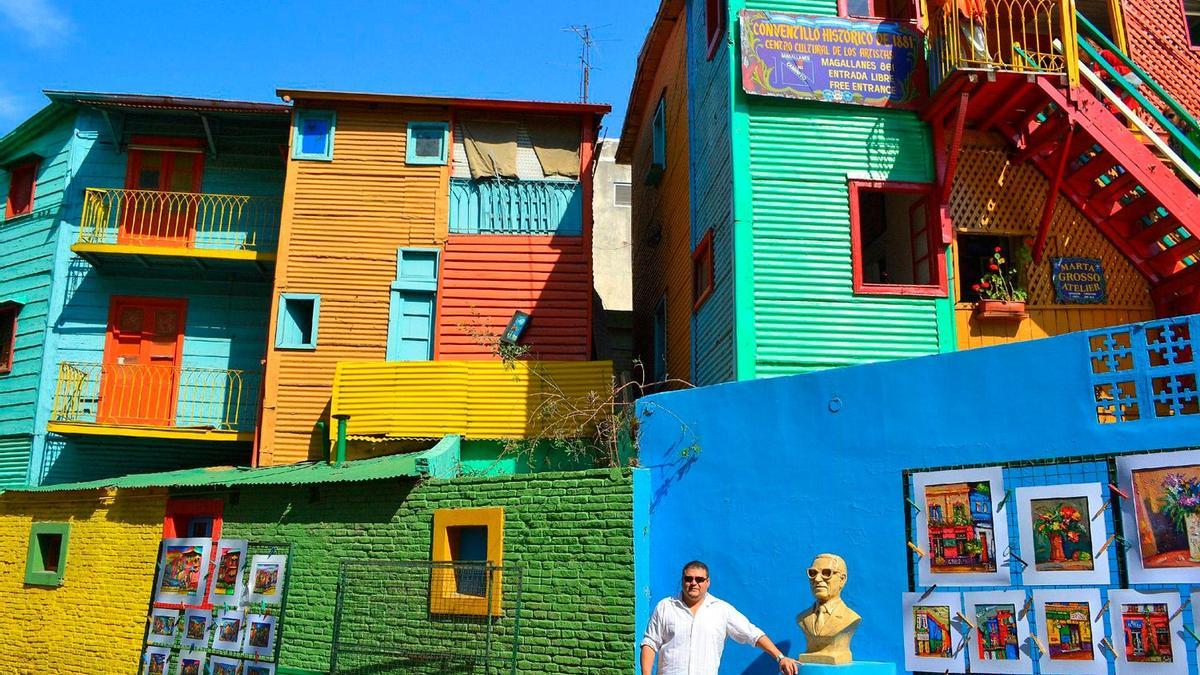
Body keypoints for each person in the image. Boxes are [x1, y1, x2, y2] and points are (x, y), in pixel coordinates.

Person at [641, 561, 798, 675]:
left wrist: (780, 657)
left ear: (708, 582)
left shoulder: (721, 610)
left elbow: (752, 634)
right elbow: (650, 643)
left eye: (699, 579)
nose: (693, 583)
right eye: (689, 579)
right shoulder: (665, 607)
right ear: (682, 581)